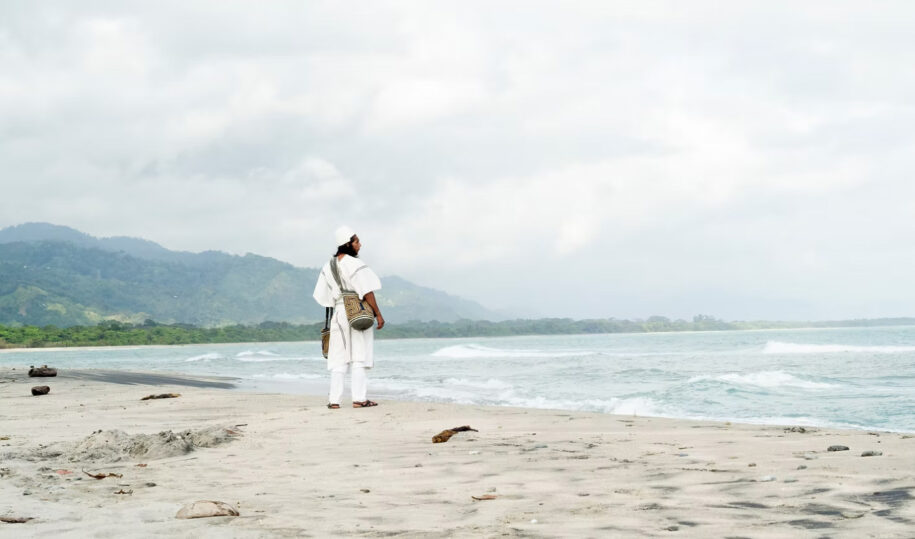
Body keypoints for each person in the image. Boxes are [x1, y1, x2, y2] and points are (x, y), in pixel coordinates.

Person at [312, 226, 385, 409]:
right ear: (348, 244)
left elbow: (323, 296)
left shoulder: (327, 266)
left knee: (338, 356)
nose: (360, 245)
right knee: (359, 355)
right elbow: (367, 291)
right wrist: (378, 314)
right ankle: (359, 399)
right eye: (357, 241)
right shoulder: (354, 264)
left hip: (338, 312)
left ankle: (334, 401)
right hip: (357, 311)